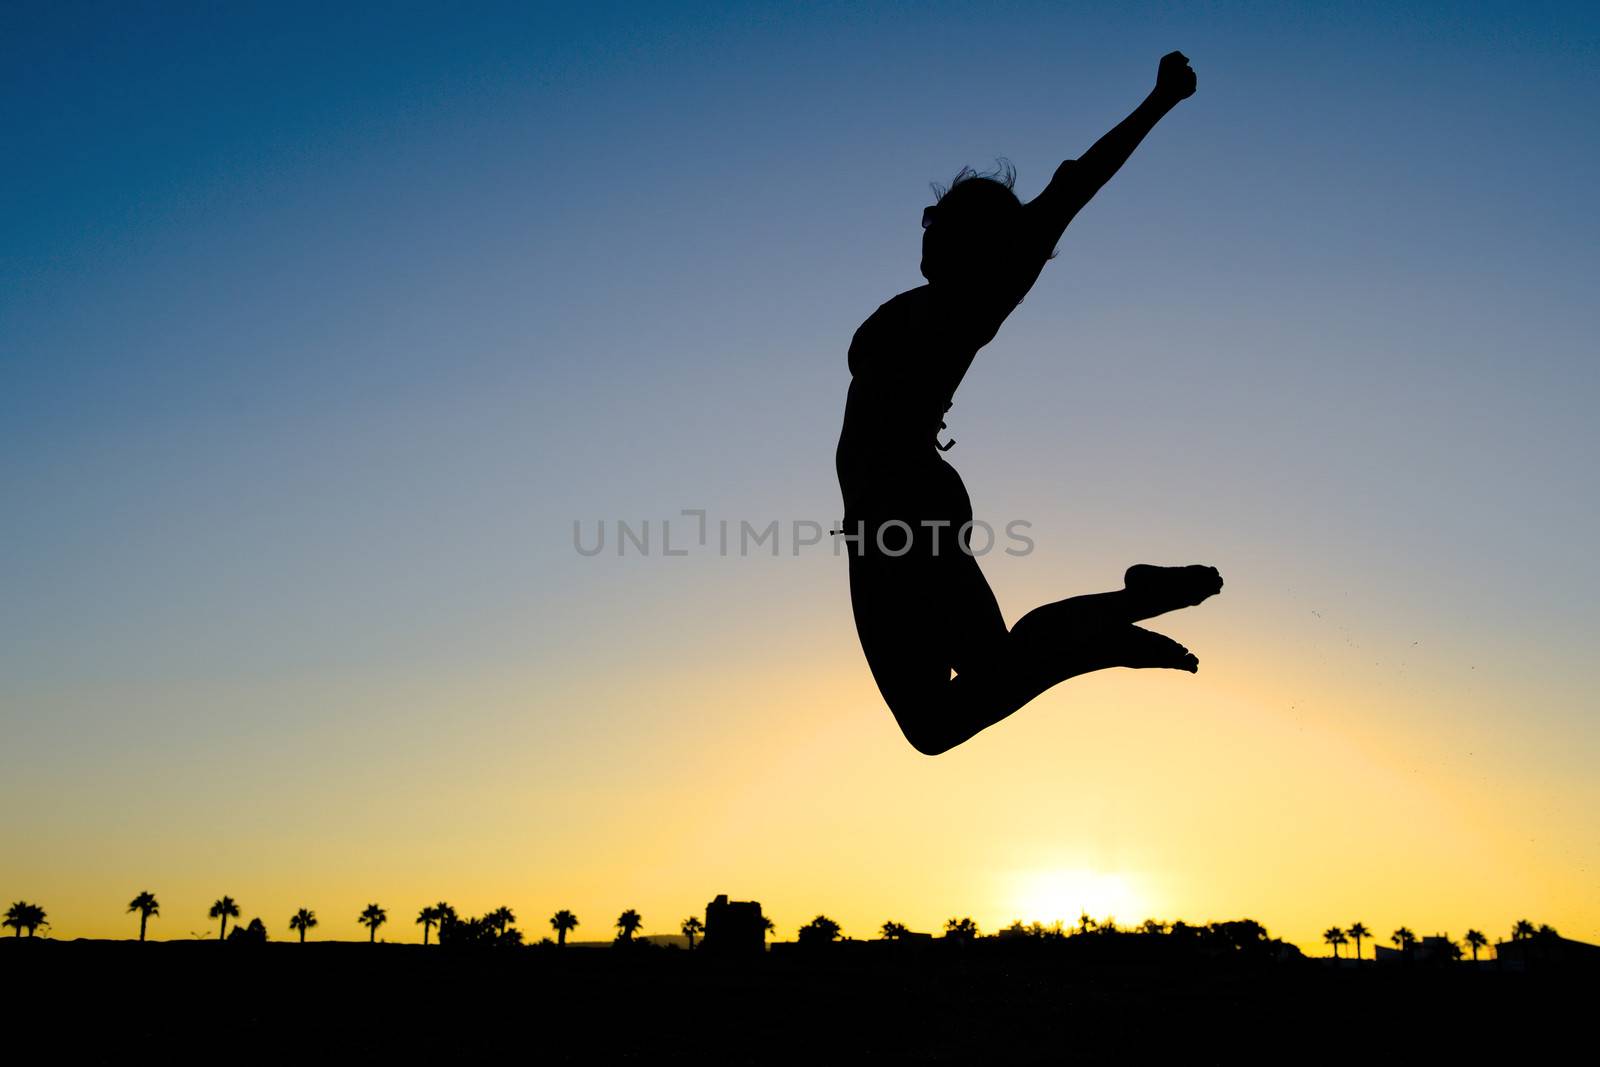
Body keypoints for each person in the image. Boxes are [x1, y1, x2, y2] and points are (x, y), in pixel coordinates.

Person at [836, 51, 1222, 756]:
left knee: (978, 684)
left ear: (969, 242)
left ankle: (1121, 624)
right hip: (875, 525)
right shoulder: (935, 301)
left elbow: (1074, 186)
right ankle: (1128, 609)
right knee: (937, 722)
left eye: (938, 223)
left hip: (905, 506)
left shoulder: (976, 298)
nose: (924, 232)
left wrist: (1160, 99)